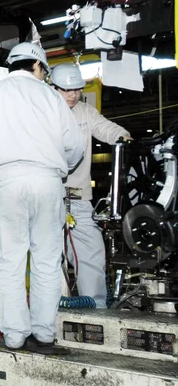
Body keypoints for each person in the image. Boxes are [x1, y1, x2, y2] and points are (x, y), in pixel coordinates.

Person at [0, 42, 84, 353]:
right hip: (47, 181)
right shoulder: (51, 97)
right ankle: (44, 333)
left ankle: (15, 336)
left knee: (11, 262)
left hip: (8, 182)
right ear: (39, 67)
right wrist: (57, 169)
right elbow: (75, 146)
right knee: (45, 261)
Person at [50, 62, 131, 309]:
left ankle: (95, 309)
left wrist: (124, 137)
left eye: (76, 89)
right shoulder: (41, 114)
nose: (73, 95)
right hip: (47, 198)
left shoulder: (86, 112)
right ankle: (48, 311)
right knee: (49, 256)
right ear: (52, 87)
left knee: (92, 251)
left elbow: (106, 128)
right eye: (66, 90)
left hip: (78, 200)